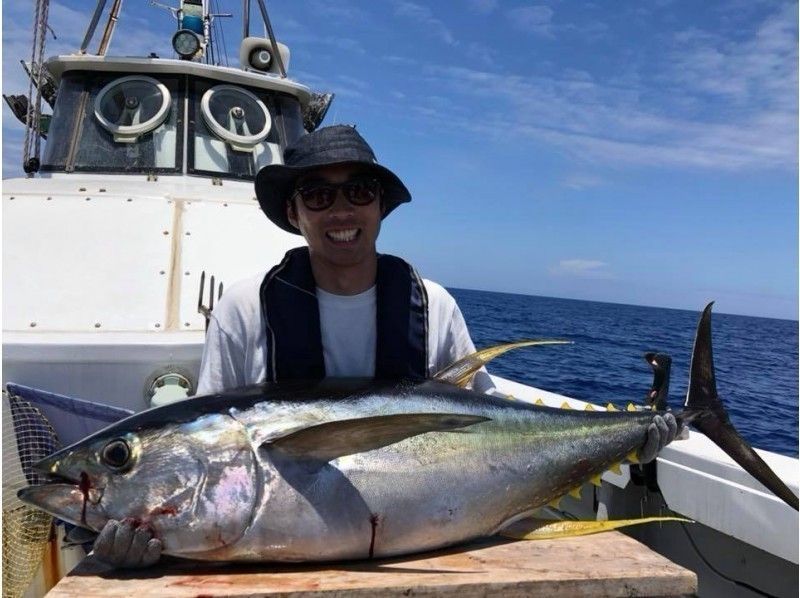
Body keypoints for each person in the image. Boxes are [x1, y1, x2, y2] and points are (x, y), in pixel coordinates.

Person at [91, 124, 677, 568]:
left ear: (380, 207)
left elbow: (492, 426)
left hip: (431, 555)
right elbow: (214, 445)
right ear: (293, 213)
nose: (340, 210)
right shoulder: (246, 309)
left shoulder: (433, 305)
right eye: (316, 195)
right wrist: (149, 539)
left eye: (359, 191)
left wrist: (630, 437)